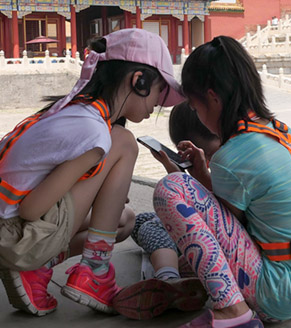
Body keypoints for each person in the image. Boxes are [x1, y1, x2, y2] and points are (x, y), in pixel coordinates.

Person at [125, 36, 291, 327]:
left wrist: (182, 178)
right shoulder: (278, 131)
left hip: (277, 294)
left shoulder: (233, 154)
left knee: (171, 190)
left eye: (196, 109)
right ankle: (184, 285)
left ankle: (233, 311)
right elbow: (228, 220)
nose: (199, 116)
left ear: (213, 98)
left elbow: (225, 227)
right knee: (162, 226)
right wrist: (202, 176)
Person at [0, 28, 183, 317]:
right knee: (124, 142)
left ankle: (38, 272)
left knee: (123, 220)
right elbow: (31, 210)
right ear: (139, 81)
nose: (158, 104)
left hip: (9, 230)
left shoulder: (75, 109)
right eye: (160, 91)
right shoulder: (95, 132)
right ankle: (95, 273)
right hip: (15, 236)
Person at [113, 102, 220, 320]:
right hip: (215, 227)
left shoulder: (223, 161)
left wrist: (176, 175)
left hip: (220, 238)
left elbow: (206, 204)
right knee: (141, 220)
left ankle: (168, 278)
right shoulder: (230, 150)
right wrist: (174, 169)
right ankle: (176, 269)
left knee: (154, 225)